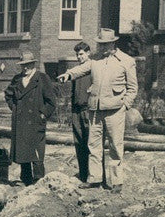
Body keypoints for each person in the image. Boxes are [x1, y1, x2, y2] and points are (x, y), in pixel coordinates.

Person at [57, 28, 137, 191]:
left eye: (105, 44)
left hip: (115, 110)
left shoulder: (126, 61)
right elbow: (81, 69)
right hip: (95, 109)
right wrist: (68, 74)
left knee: (115, 146)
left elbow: (133, 88)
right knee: (94, 146)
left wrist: (125, 105)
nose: (102, 48)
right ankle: (95, 178)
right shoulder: (95, 60)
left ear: (113, 43)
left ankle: (116, 182)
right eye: (100, 44)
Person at [4, 50, 57, 185]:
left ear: (33, 64)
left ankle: (39, 179)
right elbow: (8, 94)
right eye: (23, 65)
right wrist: (15, 108)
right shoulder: (17, 79)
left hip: (35, 120)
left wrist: (43, 114)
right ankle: (26, 179)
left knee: (37, 151)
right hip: (20, 120)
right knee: (23, 150)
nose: (25, 68)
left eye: (28, 64)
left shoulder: (42, 78)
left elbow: (51, 101)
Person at [69, 41, 93, 182]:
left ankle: (94, 176)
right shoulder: (76, 71)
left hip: (88, 110)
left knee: (91, 144)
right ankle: (83, 175)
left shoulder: (93, 68)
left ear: (88, 53)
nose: (79, 57)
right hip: (76, 111)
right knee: (79, 143)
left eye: (81, 54)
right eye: (77, 55)